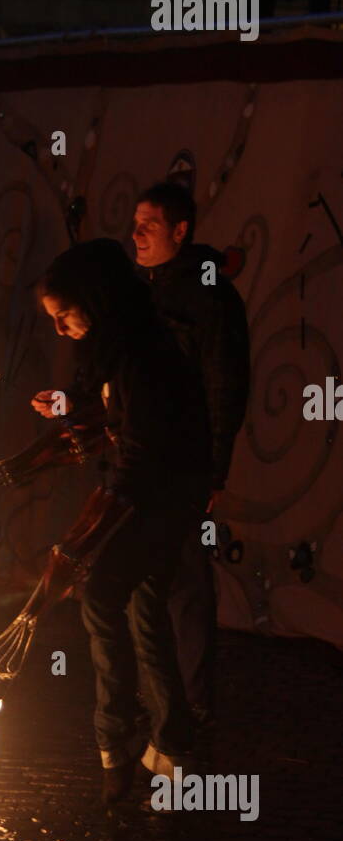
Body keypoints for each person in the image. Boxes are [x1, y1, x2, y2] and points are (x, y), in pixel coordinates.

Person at [32, 238, 212, 804]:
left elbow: (138, 445)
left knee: (103, 595)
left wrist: (91, 529)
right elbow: (107, 411)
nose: (60, 330)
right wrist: (65, 411)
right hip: (158, 496)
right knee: (141, 605)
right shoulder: (120, 346)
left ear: (96, 299)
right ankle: (172, 742)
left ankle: (116, 742)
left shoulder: (142, 352)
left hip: (161, 498)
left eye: (65, 316)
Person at [132, 182, 250, 726]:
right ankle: (160, 690)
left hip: (186, 463)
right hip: (139, 460)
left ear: (180, 231)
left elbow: (225, 386)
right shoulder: (140, 291)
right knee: (141, 577)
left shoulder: (210, 295)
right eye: (135, 222)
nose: (137, 234)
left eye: (150, 224)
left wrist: (214, 470)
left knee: (184, 579)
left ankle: (192, 699)